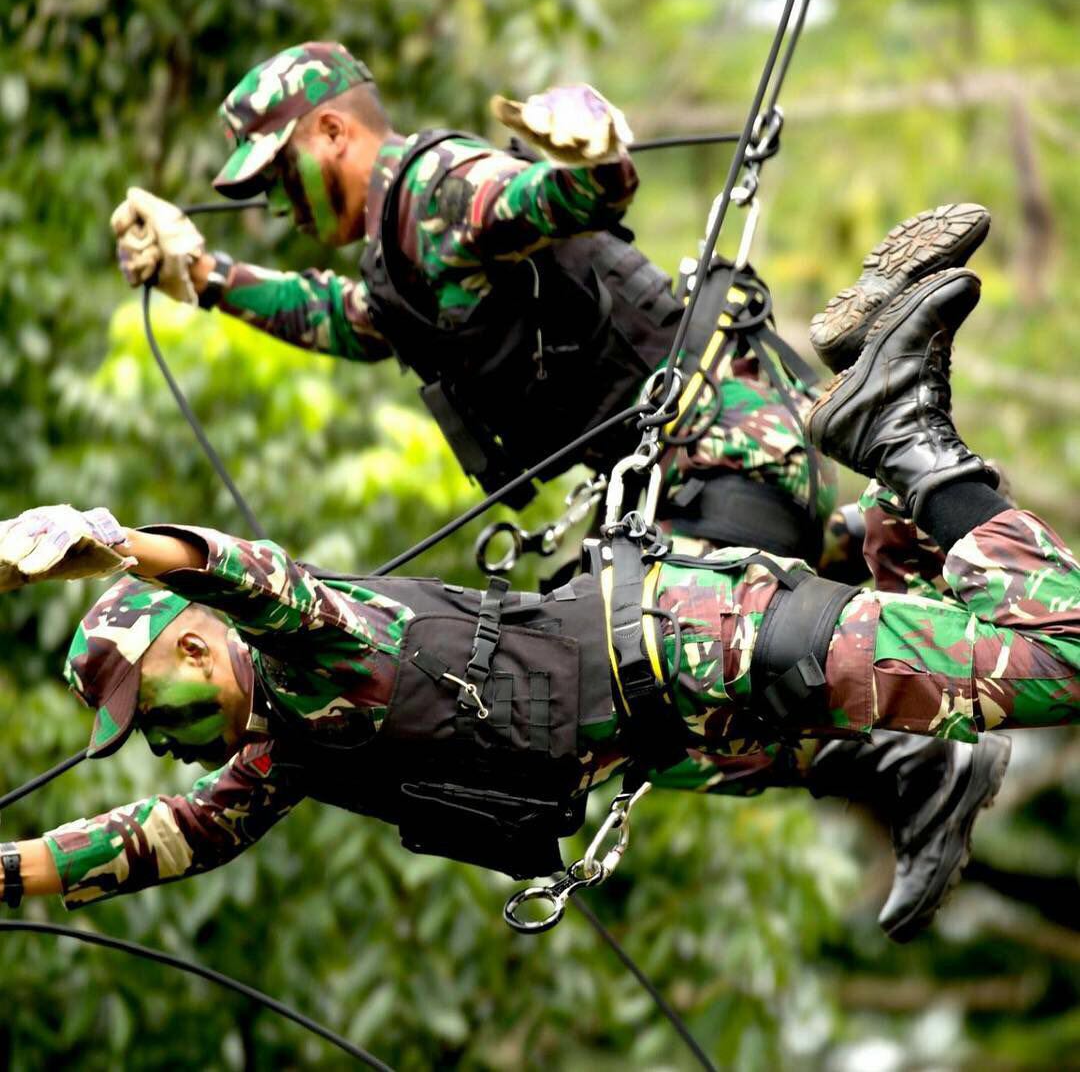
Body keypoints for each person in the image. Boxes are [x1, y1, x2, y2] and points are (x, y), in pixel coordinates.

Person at [1, 252, 1073, 940]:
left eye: (161, 714)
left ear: (196, 649)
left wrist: (115, 546)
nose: (173, 749)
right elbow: (161, 839)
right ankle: (916, 725)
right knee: (922, 655)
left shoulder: (309, 647)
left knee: (1060, 644)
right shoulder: (288, 746)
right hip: (695, 716)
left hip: (700, 642)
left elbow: (256, 577)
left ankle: (899, 429)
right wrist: (10, 875)